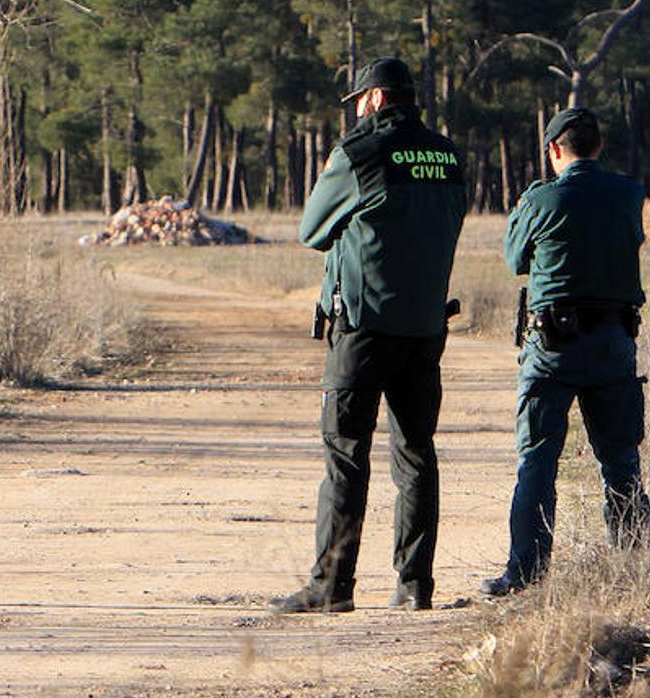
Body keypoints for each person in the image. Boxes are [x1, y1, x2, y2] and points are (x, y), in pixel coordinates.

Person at [269, 58, 467, 614]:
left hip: (363, 328)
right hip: (427, 328)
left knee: (346, 453)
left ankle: (332, 587)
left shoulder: (359, 154)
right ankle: (413, 586)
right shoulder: (448, 156)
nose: (356, 112)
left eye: (358, 102)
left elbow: (312, 230)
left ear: (376, 99)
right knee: (416, 454)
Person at [480, 108, 649, 597]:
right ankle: (630, 568)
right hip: (615, 343)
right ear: (598, 146)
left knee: (537, 460)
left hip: (551, 348)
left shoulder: (542, 198)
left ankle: (526, 574)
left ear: (555, 149)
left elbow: (515, 259)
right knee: (620, 460)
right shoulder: (628, 193)